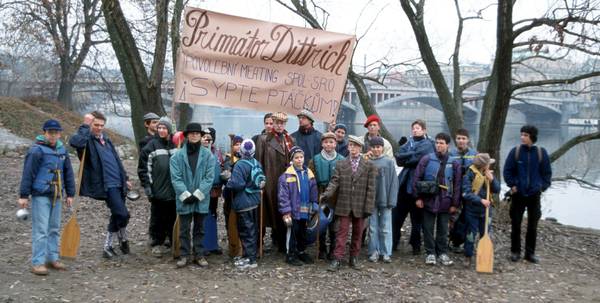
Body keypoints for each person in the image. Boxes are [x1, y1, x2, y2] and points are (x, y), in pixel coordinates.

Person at [69, 111, 132, 259]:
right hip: (106, 185)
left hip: (119, 183)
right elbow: (75, 142)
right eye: (95, 125)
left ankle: (117, 243)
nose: (99, 128)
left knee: (118, 214)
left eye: (101, 125)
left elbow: (116, 160)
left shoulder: (107, 140)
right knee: (123, 214)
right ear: (91, 125)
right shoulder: (87, 141)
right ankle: (114, 242)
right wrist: (85, 125)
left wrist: (125, 178)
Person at [19, 119, 75, 275]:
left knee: (54, 229)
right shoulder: (36, 150)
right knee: (41, 230)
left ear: (59, 134)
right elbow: (28, 173)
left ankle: (52, 258)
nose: (53, 135)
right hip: (41, 195)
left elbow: (68, 173)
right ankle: (37, 262)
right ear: (45, 133)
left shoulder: (62, 151)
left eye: (56, 132)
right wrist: (24, 195)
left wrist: (70, 193)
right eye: (50, 132)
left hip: (57, 194)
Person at [322, 135, 377, 271]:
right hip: (344, 203)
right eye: (351, 145)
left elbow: (371, 188)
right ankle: (337, 258)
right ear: (348, 147)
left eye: (356, 146)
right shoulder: (341, 164)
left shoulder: (369, 165)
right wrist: (326, 194)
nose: (353, 148)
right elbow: (334, 182)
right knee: (342, 232)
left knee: (358, 233)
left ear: (361, 148)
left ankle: (354, 257)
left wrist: (368, 207)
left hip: (360, 204)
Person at [503, 125, 552, 264]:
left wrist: (541, 187)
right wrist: (513, 185)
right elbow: (507, 171)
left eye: (525, 135)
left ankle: (530, 254)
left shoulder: (541, 153)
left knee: (532, 225)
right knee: (516, 224)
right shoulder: (515, 152)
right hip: (518, 194)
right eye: (522, 134)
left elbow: (547, 174)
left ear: (532, 137)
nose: (522, 137)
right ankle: (515, 252)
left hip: (534, 195)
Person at [170, 122, 215, 268]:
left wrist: (197, 194)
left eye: (197, 133)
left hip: (201, 199)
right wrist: (185, 194)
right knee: (184, 229)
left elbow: (209, 178)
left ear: (201, 136)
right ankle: (184, 255)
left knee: (200, 228)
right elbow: (175, 178)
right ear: (187, 135)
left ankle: (199, 254)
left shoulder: (208, 155)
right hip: (184, 199)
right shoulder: (176, 156)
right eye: (192, 133)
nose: (195, 135)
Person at [413, 132, 461, 266]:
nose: (438, 145)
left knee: (443, 229)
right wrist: (418, 197)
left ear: (447, 145)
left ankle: (442, 253)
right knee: (427, 228)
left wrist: (455, 203)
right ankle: (430, 253)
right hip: (429, 200)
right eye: (437, 142)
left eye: (441, 143)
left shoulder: (454, 162)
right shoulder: (426, 159)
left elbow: (457, 185)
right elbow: (417, 178)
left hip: (446, 201)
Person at [393, 119, 434, 255]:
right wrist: (409, 155)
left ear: (424, 130)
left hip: (418, 187)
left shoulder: (428, 144)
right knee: (397, 217)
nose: (415, 130)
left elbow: (419, 159)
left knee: (417, 220)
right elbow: (398, 158)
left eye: (418, 128)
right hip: (404, 185)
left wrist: (407, 156)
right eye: (413, 128)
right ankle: (393, 242)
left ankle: (415, 245)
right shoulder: (408, 142)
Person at [137, 117, 177, 257]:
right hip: (158, 189)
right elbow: (143, 169)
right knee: (157, 218)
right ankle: (156, 243)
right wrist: (147, 186)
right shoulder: (150, 146)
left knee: (173, 216)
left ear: (169, 130)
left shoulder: (175, 145)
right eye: (159, 127)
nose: (161, 130)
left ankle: (173, 241)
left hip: (174, 190)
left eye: (164, 128)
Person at [255, 112, 295, 252]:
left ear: (285, 124)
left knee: (283, 211)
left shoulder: (290, 140)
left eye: (282, 123)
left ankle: (283, 244)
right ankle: (258, 245)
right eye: (277, 122)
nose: (279, 125)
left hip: (286, 181)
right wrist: (259, 182)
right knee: (265, 212)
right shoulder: (263, 139)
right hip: (270, 181)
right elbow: (258, 163)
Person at [225, 139, 265, 269]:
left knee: (246, 231)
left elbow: (238, 184)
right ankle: (250, 255)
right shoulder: (256, 163)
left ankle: (249, 259)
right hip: (255, 200)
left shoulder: (240, 164)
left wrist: (227, 180)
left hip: (243, 202)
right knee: (252, 229)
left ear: (241, 151)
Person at [278, 146, 319, 266]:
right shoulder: (285, 176)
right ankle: (290, 254)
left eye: (301, 157)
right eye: (296, 158)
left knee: (303, 231)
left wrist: (314, 203)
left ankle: (301, 251)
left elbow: (313, 190)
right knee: (292, 232)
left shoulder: (309, 174)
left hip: (305, 210)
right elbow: (282, 196)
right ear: (292, 160)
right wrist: (286, 212)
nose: (299, 160)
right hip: (293, 211)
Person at [308, 132, 344, 260]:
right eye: (326, 142)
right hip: (320, 193)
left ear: (335, 144)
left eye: (331, 142)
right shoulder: (315, 160)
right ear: (322, 144)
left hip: (336, 196)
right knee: (321, 222)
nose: (329, 144)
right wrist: (313, 197)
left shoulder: (341, 160)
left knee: (335, 224)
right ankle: (321, 248)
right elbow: (311, 180)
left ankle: (333, 249)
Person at [461, 153, 500, 267]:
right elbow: (466, 193)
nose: (489, 166)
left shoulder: (489, 174)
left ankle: (483, 256)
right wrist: (480, 200)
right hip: (472, 210)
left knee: (485, 233)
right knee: (471, 234)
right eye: (488, 164)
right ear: (483, 165)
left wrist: (492, 180)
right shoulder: (470, 174)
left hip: (486, 211)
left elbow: (497, 190)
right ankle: (468, 256)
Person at [367, 137, 399, 263]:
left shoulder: (389, 162)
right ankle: (373, 251)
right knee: (373, 227)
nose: (376, 149)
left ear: (382, 148)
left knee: (385, 227)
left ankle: (386, 252)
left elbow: (393, 182)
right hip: (371, 200)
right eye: (373, 147)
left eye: (378, 147)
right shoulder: (368, 162)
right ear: (370, 148)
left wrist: (392, 199)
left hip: (385, 199)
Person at [448, 128, 478, 253]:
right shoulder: (451, 154)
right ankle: (450, 240)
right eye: (459, 138)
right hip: (454, 190)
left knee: (466, 217)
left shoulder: (474, 154)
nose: (461, 141)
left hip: (469, 191)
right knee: (452, 217)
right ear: (456, 140)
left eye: (463, 139)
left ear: (468, 140)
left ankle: (460, 241)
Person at [201, 127, 224, 255]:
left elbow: (222, 165)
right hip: (203, 189)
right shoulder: (199, 152)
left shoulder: (217, 152)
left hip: (215, 189)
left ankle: (212, 244)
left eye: (210, 137)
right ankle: (203, 245)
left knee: (213, 215)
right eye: (205, 136)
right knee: (203, 215)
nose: (207, 139)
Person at [222, 135, 244, 259]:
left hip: (242, 197)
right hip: (230, 196)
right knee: (230, 221)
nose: (238, 147)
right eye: (236, 144)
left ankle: (242, 246)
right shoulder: (228, 159)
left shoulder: (246, 159)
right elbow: (227, 177)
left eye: (240, 144)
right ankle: (233, 246)